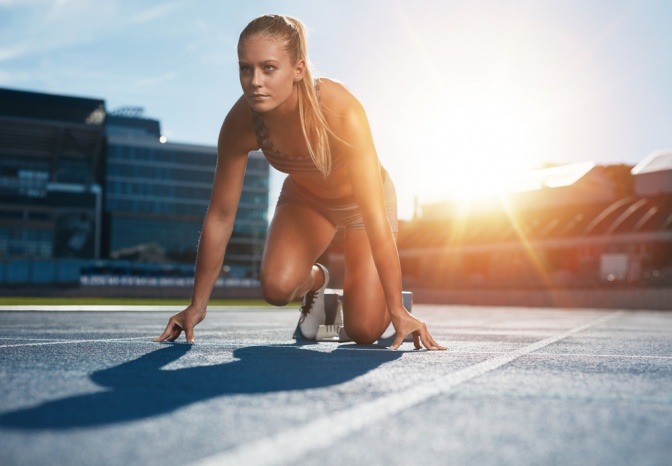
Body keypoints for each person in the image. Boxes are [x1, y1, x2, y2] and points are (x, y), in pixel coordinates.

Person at [154, 14, 445, 351]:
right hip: (307, 201)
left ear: (298, 69)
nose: (254, 82)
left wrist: (394, 308)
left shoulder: (340, 110)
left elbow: (374, 217)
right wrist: (197, 305)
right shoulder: (240, 124)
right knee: (276, 289)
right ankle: (318, 281)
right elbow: (220, 216)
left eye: (268, 68)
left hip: (363, 208)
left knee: (364, 330)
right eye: (245, 69)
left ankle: (389, 301)